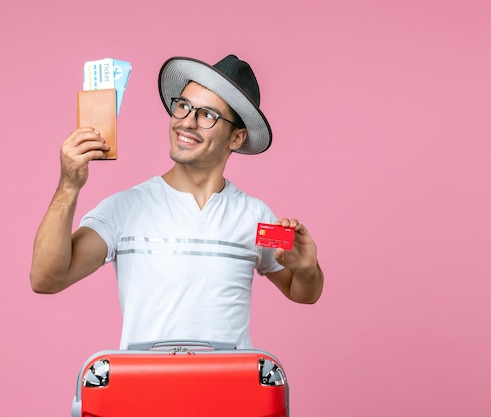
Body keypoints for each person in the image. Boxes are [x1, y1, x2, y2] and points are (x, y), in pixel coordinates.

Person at [30, 54, 324, 349]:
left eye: (208, 115)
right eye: (183, 106)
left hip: (232, 392)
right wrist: (69, 185)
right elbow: (46, 279)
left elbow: (302, 292)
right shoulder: (124, 209)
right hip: (147, 390)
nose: (187, 123)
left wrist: (307, 270)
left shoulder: (257, 217)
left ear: (237, 138)